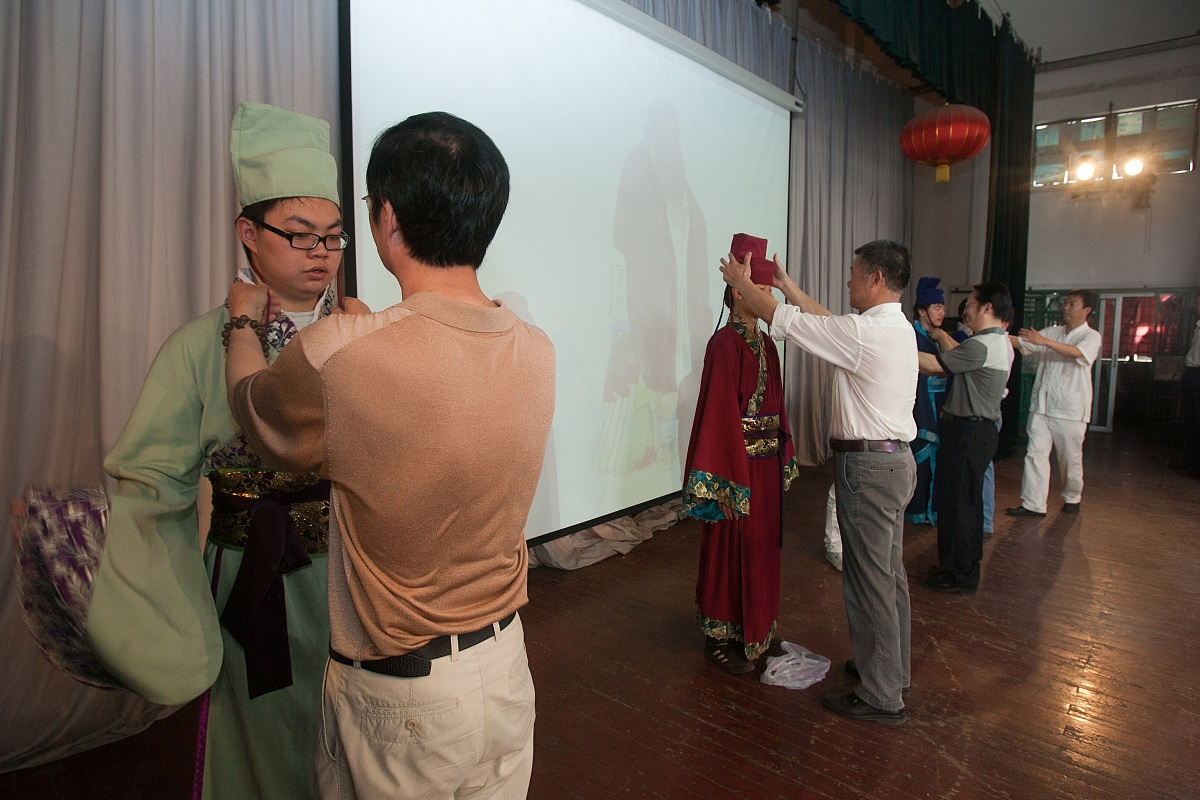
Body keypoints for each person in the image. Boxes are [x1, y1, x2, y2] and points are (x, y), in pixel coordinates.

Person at [12, 102, 360, 799]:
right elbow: (149, 476)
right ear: (248, 234)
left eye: (332, 236)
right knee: (254, 741)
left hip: (351, 578)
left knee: (352, 738)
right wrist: (76, 536)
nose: (320, 253)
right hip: (249, 578)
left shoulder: (363, 332)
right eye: (299, 235)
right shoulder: (200, 346)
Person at [225, 111, 555, 800]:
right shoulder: (536, 347)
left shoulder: (341, 353)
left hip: (405, 702)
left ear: (388, 221)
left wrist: (241, 323)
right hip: (506, 669)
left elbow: (257, 417)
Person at [722, 239, 916, 726]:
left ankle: (881, 694)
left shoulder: (868, 334)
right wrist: (788, 286)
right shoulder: (892, 327)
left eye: (854, 272)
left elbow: (791, 324)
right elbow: (829, 326)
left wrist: (744, 284)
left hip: (870, 470)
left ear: (874, 279)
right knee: (888, 578)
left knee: (870, 582)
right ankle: (890, 669)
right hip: (894, 465)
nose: (849, 279)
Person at [683, 234, 798, 674]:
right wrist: (728, 481)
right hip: (738, 468)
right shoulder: (723, 346)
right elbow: (717, 417)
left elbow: (779, 406)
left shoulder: (769, 346)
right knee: (729, 548)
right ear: (738, 291)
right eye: (761, 291)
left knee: (764, 548)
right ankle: (720, 634)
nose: (766, 300)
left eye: (769, 292)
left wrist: (783, 454)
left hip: (766, 467)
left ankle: (758, 626)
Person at [917, 284, 1012, 594]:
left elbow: (935, 365)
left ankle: (957, 574)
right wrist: (940, 337)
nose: (964, 309)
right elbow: (956, 355)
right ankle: (964, 566)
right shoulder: (995, 343)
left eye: (969, 304)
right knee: (967, 503)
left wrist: (891, 345)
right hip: (978, 432)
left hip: (967, 432)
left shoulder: (981, 345)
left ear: (986, 308)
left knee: (957, 505)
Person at [1006, 289, 1102, 517]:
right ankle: (1033, 504)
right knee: (1034, 454)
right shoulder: (1053, 332)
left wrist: (1044, 341)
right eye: (1066, 303)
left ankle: (1072, 497)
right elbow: (1024, 343)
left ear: (1086, 310)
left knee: (1069, 459)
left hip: (1070, 410)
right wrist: (991, 334)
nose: (1065, 307)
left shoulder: (1091, 336)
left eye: (1072, 304)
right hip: (1041, 406)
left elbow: (1077, 353)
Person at [906, 277, 950, 525]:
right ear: (922, 310)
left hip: (939, 408)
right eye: (936, 307)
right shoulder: (913, 336)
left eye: (943, 307)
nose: (941, 311)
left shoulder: (938, 337)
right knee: (921, 462)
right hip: (921, 410)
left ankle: (931, 511)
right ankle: (918, 513)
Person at [1168, 295, 1200, 471]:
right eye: (1196, 302)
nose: (1197, 306)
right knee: (1190, 419)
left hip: (1198, 375)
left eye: (1199, 303)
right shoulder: (1197, 327)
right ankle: (1192, 461)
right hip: (1192, 374)